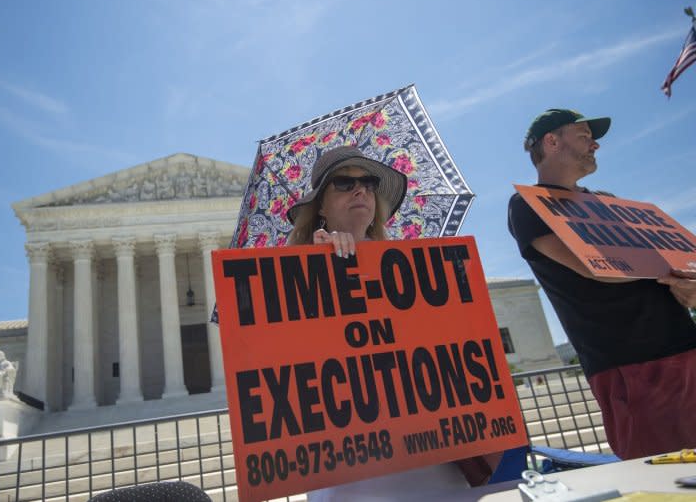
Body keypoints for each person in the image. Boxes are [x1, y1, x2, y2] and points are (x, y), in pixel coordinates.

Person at [288, 146, 500, 500]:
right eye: (344, 183)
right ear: (320, 206)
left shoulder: (416, 267)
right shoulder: (291, 274)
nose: (361, 191)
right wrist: (321, 272)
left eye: (369, 183)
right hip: (353, 475)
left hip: (436, 461)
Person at [508, 108, 696, 459]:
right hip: (630, 364)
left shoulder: (608, 201)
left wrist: (687, 285)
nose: (594, 144)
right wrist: (669, 271)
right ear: (551, 142)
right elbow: (597, 266)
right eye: (583, 136)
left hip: (686, 346)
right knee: (667, 480)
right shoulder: (527, 206)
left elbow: (663, 270)